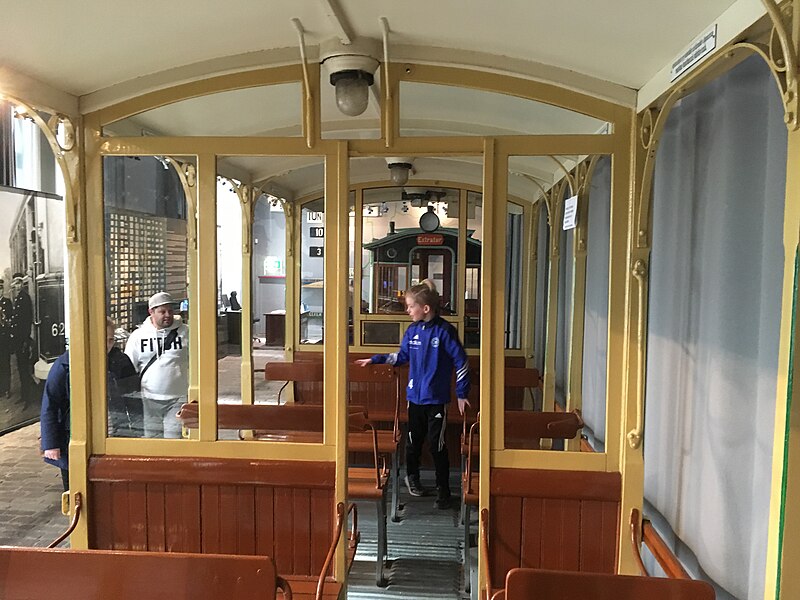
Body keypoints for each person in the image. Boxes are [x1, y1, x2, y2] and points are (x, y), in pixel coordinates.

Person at [355, 279, 470, 509]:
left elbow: (461, 362)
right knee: (412, 442)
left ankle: (444, 492)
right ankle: (413, 480)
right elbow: (401, 357)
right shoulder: (412, 331)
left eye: (410, 306)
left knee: (437, 445)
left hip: (437, 400)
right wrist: (375, 360)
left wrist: (461, 392)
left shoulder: (445, 331)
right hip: (414, 399)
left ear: (425, 308)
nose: (407, 311)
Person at [40, 318, 137, 491]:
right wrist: (50, 444)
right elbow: (51, 404)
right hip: (75, 436)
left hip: (113, 432)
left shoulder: (120, 361)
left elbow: (133, 396)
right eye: (104, 339)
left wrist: (137, 430)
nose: (107, 344)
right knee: (76, 489)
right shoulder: (65, 364)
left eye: (111, 340)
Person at [125, 292, 189, 438]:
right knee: (152, 441)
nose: (167, 315)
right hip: (148, 399)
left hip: (178, 399)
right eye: (162, 311)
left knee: (173, 442)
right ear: (151, 312)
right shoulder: (138, 336)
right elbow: (129, 367)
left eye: (170, 311)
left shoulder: (186, 332)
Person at [9, 272, 34, 404]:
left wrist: (25, 340)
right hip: (18, 340)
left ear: (22, 284)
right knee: (21, 368)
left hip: (22, 340)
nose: (17, 286)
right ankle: (24, 396)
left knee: (24, 370)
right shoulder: (18, 298)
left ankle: (28, 399)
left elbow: (27, 320)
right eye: (15, 284)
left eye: (19, 283)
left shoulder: (25, 298)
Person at [0, 278, 11, 398]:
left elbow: (11, 320)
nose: (0, 291)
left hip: (4, 339)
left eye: (1, 289)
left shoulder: (7, 302)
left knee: (5, 364)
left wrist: (5, 320)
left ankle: (7, 388)